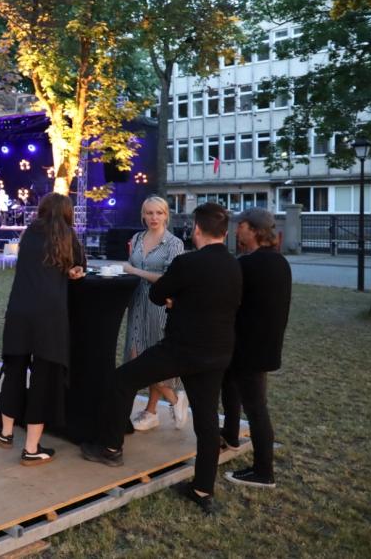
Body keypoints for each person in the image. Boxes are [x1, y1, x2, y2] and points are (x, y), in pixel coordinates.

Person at [82, 203, 242, 514]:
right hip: (218, 351)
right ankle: (202, 488)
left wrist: (175, 300)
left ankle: (111, 448)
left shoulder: (187, 262)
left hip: (181, 348)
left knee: (122, 379)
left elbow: (157, 296)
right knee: (207, 420)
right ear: (225, 233)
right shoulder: (234, 265)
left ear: (197, 229)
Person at [0, 193, 86, 465]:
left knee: (14, 370)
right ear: (67, 212)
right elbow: (80, 267)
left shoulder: (28, 233)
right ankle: (32, 448)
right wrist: (74, 271)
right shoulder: (68, 235)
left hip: (19, 311)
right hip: (49, 316)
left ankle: (6, 432)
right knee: (43, 379)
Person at [222, 208, 291, 489]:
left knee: (256, 407)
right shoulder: (279, 261)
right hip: (262, 344)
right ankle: (230, 435)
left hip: (250, 346)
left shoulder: (249, 265)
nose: (236, 230)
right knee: (229, 385)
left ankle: (264, 472)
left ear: (253, 230)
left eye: (240, 225)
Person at [121, 196, 186, 431]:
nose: (154, 217)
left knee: (154, 360)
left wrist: (134, 271)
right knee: (136, 357)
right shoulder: (137, 238)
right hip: (137, 304)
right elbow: (130, 267)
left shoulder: (174, 243)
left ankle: (162, 405)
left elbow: (171, 279)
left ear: (166, 215)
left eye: (159, 213)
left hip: (158, 307)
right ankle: (161, 405)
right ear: (143, 215)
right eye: (149, 213)